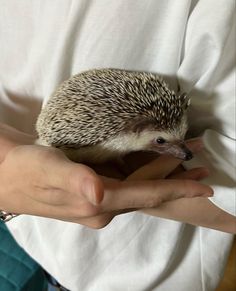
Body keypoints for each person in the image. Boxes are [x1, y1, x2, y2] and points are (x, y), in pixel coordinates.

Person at [0, 0, 235, 290]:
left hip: (139, 280)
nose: (180, 151)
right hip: (36, 243)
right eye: (161, 142)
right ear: (133, 131)